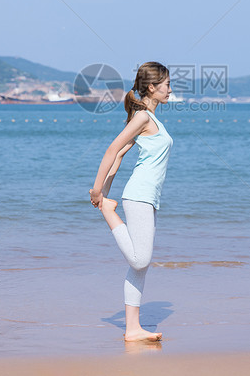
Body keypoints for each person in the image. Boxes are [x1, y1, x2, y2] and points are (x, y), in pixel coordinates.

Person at [89, 61, 173, 342]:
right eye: (167, 85)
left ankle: (133, 329)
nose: (170, 90)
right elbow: (112, 148)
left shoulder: (152, 119)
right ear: (152, 87)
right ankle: (110, 214)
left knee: (141, 266)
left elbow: (122, 155)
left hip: (148, 198)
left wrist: (108, 189)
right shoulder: (143, 118)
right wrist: (99, 193)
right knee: (140, 260)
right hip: (138, 195)